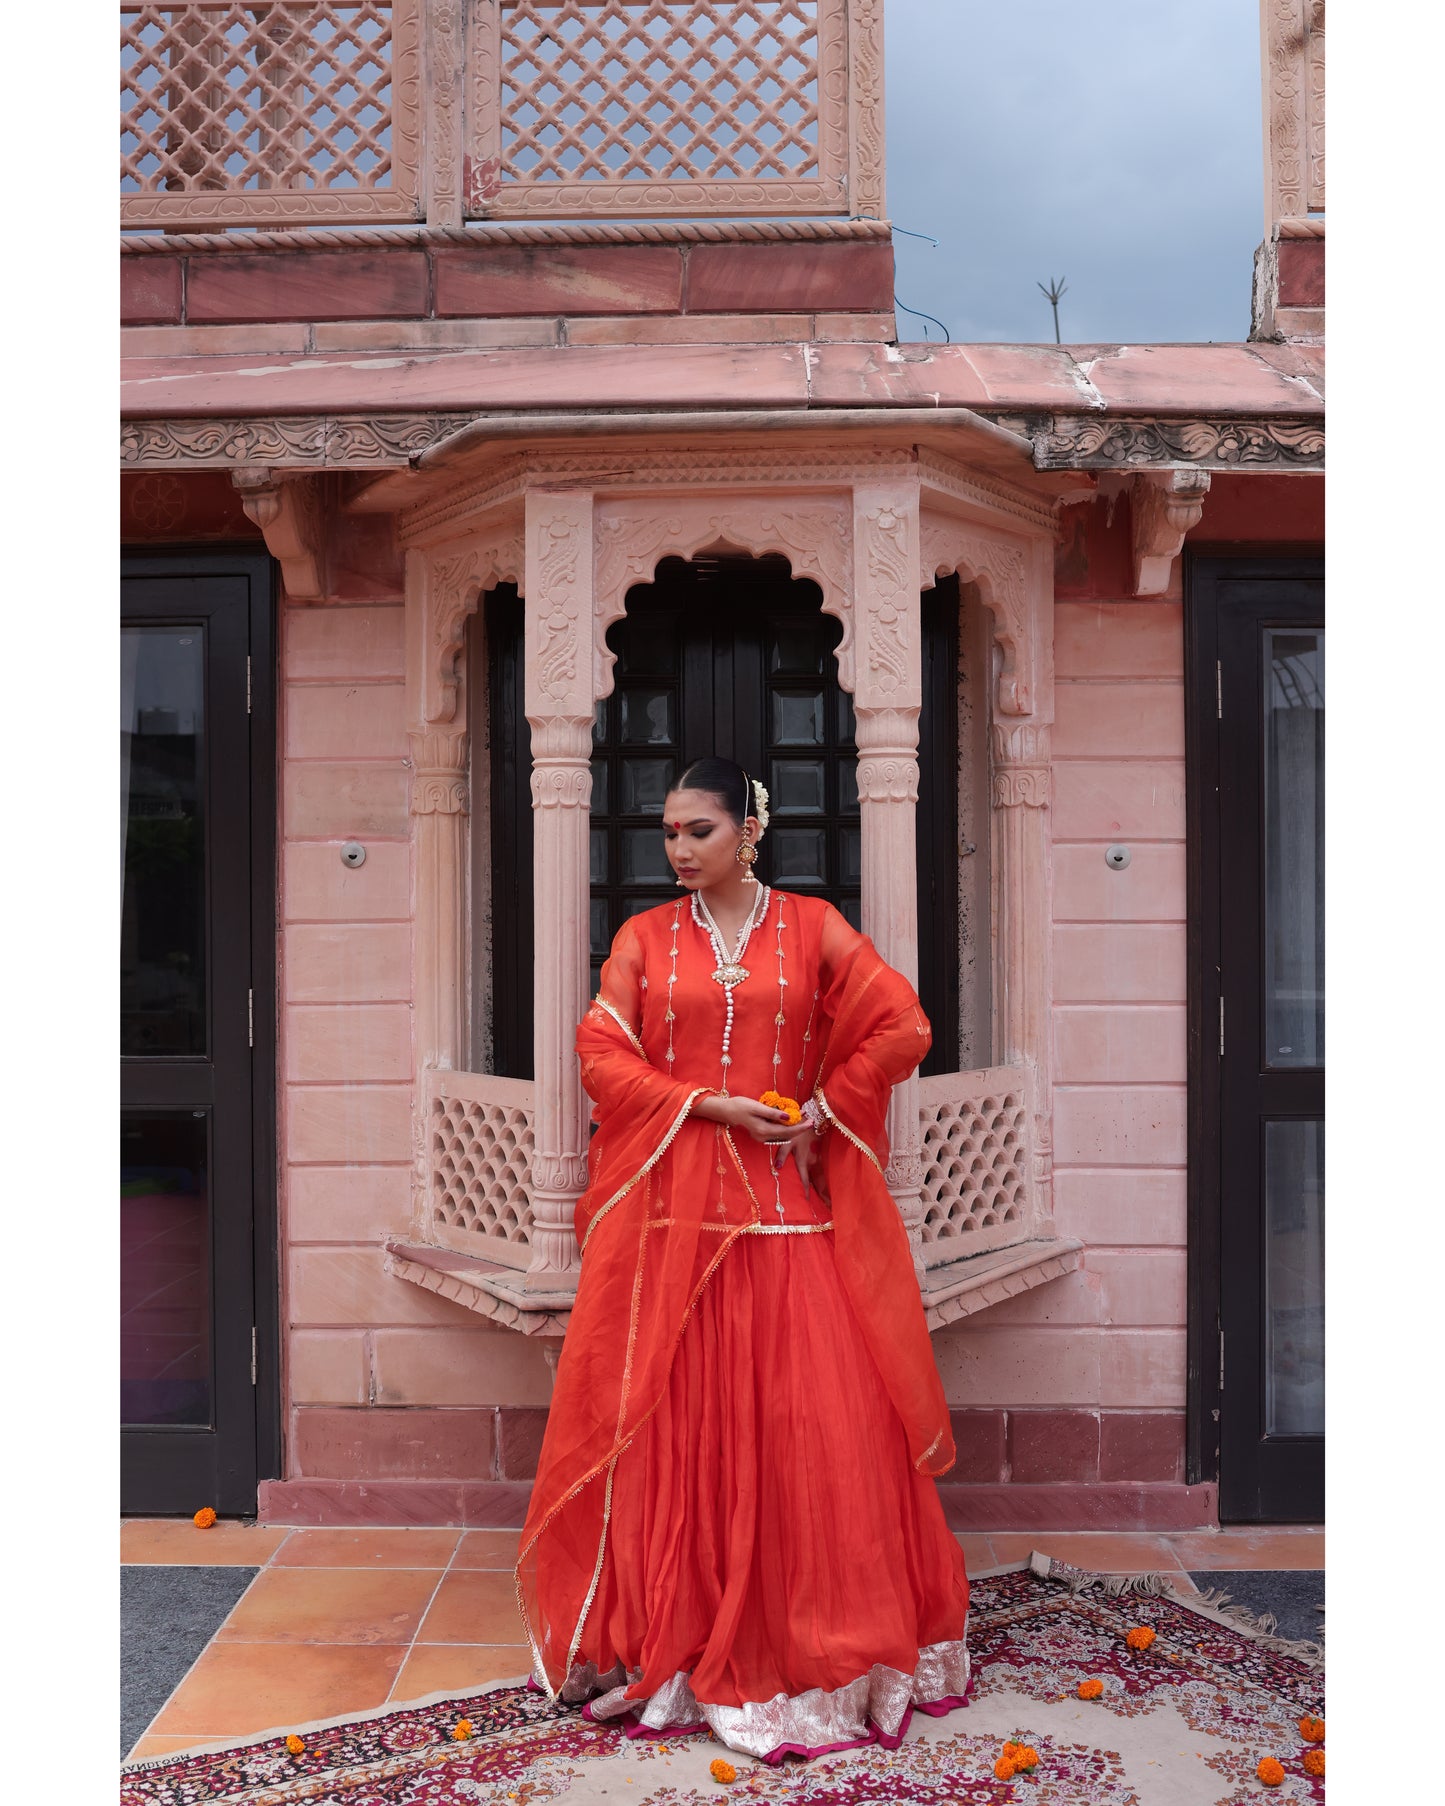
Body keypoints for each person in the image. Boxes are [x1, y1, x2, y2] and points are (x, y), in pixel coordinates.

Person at [515, 757, 970, 1763]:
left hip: (782, 1218)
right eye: (667, 834)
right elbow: (601, 1049)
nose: (677, 851)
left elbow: (901, 1024)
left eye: (697, 832)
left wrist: (822, 1108)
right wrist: (700, 1105)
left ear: (747, 832)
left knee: (810, 1430)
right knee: (677, 1430)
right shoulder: (643, 938)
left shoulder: (810, 928)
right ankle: (678, 1647)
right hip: (674, 1225)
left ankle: (811, 1644)